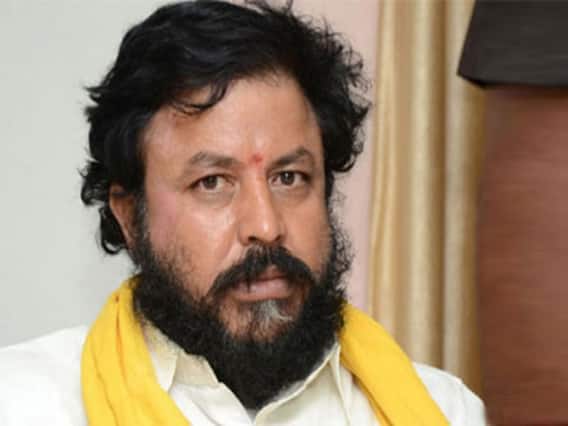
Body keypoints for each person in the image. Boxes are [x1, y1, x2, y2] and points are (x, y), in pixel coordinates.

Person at [0, 1, 485, 425]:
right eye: (212, 183)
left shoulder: (449, 411)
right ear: (129, 216)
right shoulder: (25, 404)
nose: (266, 226)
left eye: (289, 177)